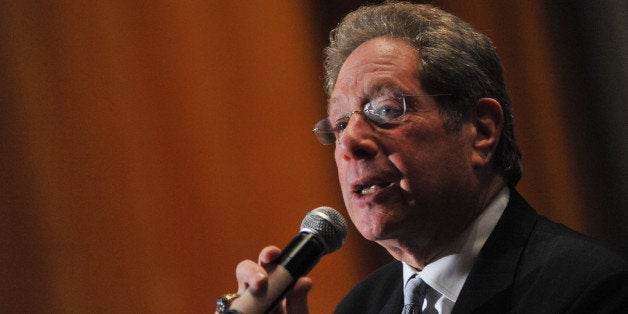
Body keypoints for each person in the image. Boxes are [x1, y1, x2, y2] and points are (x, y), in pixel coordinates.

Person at [217, 2, 628, 313]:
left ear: (481, 130)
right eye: (339, 124)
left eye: (387, 110)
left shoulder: (594, 289)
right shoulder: (362, 306)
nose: (350, 143)